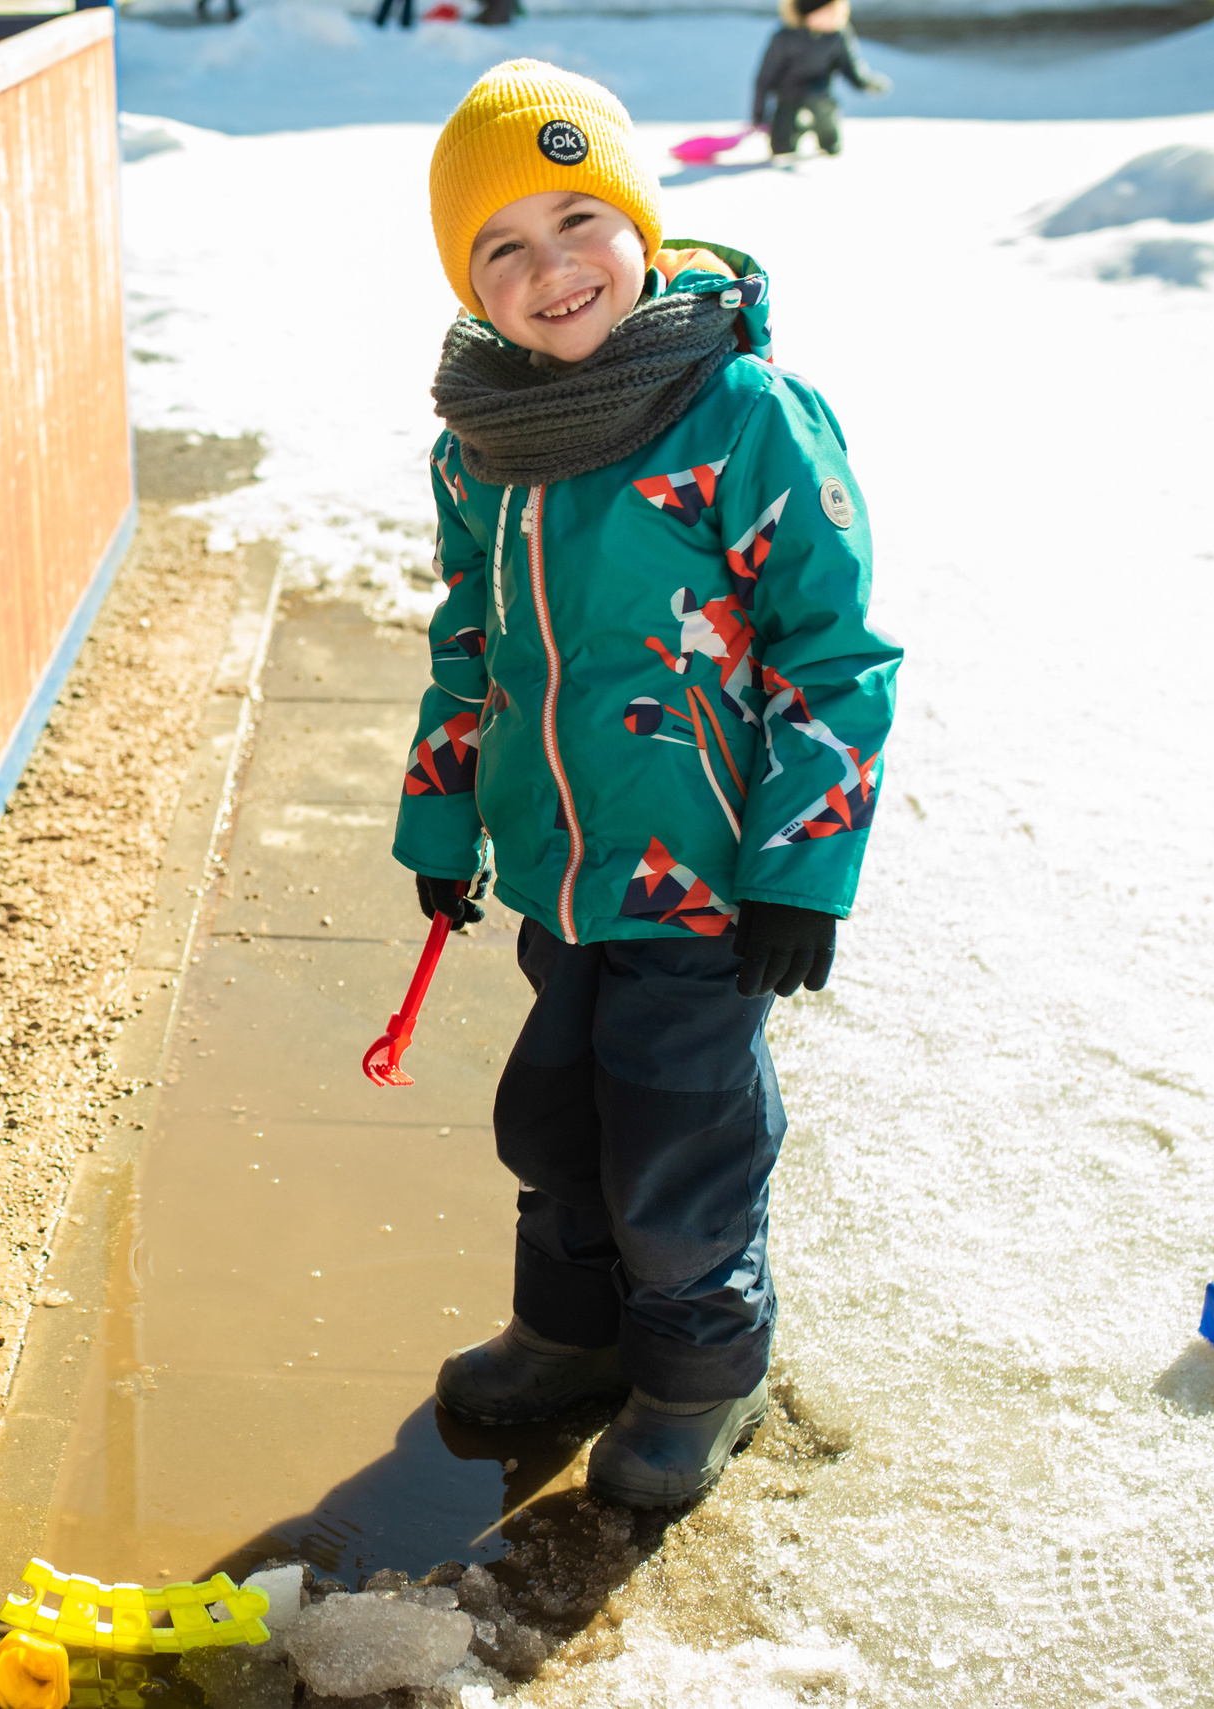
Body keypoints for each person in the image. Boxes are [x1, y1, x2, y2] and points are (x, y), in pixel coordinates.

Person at [402, 61, 899, 1507]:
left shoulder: (743, 414)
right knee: (557, 1122)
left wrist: (801, 869)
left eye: (579, 220)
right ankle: (570, 1333)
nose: (551, 269)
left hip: (705, 881)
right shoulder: (482, 445)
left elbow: (835, 653)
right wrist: (442, 813)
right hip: (561, 869)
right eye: (502, 247)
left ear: (643, 224)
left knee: (680, 1148)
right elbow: (472, 641)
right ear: (470, 284)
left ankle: (698, 1376)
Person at [752, 0, 890, 158]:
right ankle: (793, 130)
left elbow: (850, 69)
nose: (835, 17)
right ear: (810, 13)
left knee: (830, 140)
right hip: (789, 98)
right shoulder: (785, 38)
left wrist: (866, 83)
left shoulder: (837, 36)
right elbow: (765, 78)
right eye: (829, 12)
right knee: (782, 148)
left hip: (820, 97)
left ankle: (826, 140)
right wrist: (759, 115)